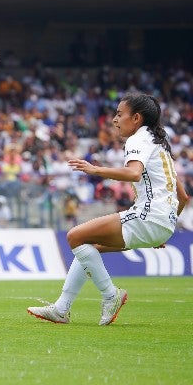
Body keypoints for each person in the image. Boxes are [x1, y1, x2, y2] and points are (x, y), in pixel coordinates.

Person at [28, 93, 189, 325]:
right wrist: (165, 225)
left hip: (148, 216)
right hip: (163, 223)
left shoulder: (138, 139)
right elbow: (182, 196)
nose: (115, 119)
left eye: (119, 114)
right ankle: (61, 308)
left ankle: (111, 295)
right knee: (88, 245)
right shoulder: (158, 144)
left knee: (74, 236)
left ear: (136, 118)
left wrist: (95, 170)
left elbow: (133, 173)